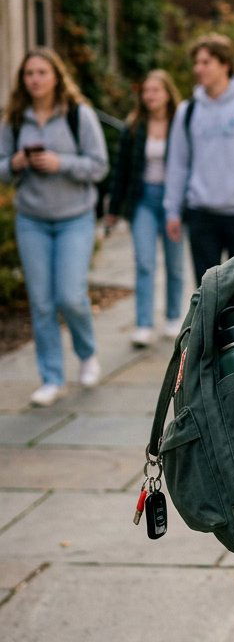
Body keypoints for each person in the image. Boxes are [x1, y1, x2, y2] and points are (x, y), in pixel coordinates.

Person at [0, 48, 108, 406]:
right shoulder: (15, 119)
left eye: (42, 72)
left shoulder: (79, 115)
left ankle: (87, 353)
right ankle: (51, 378)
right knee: (42, 302)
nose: (35, 79)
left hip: (74, 217)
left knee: (70, 296)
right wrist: (15, 163)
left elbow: (98, 166)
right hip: (31, 219)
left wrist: (60, 163)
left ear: (56, 76)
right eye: (29, 73)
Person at [164, 34, 234, 285]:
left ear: (225, 64)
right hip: (201, 214)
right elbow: (178, 163)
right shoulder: (188, 111)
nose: (198, 69)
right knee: (206, 292)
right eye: (197, 63)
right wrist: (172, 209)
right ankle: (207, 328)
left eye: (206, 62)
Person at [107, 70, 184, 347]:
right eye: (146, 91)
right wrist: (113, 208)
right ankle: (143, 324)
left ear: (167, 93)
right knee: (144, 262)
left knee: (175, 264)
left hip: (174, 200)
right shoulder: (134, 126)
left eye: (156, 90)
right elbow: (121, 171)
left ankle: (174, 317)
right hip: (143, 200)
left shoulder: (181, 123)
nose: (150, 96)